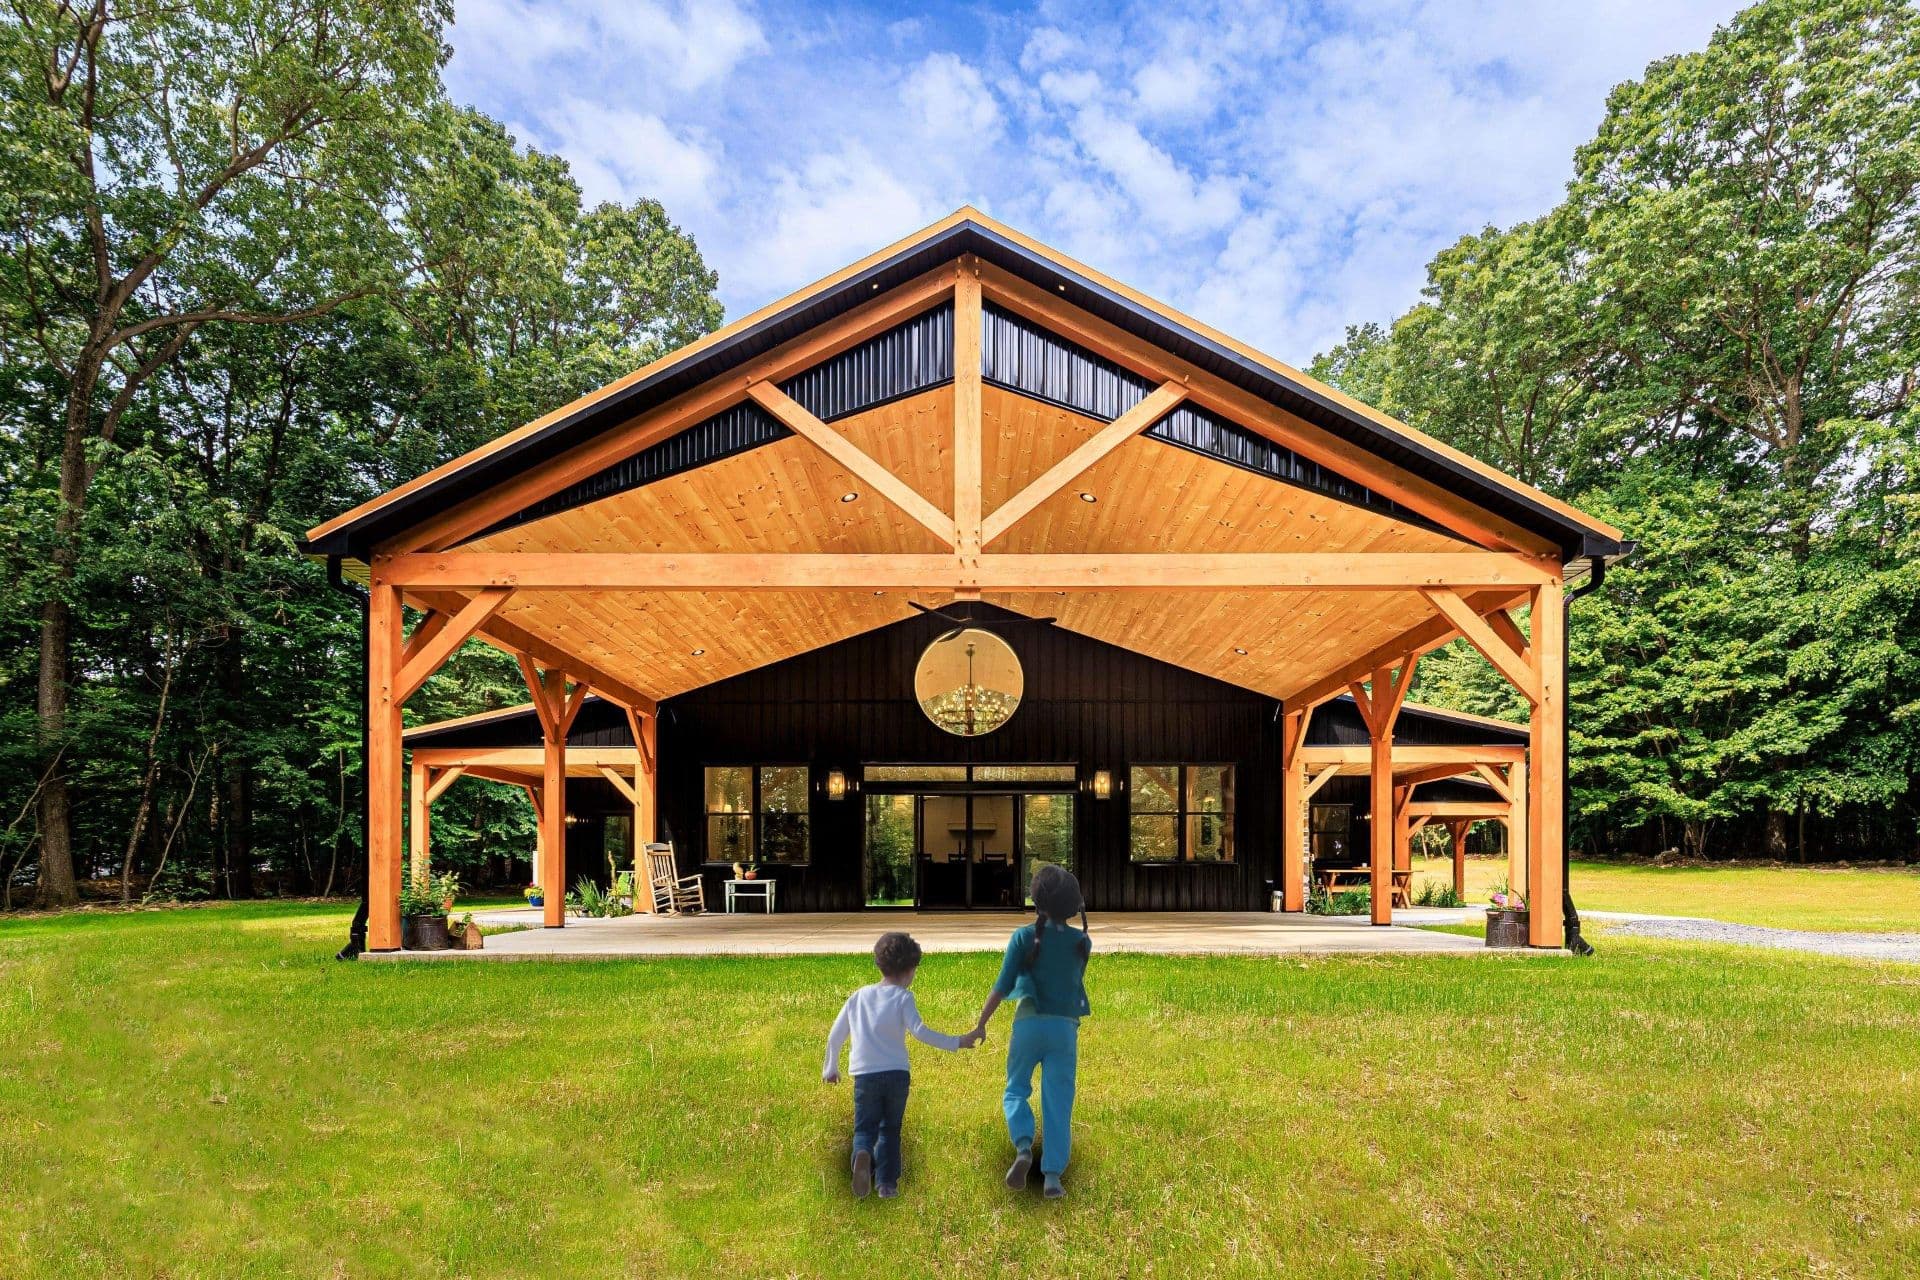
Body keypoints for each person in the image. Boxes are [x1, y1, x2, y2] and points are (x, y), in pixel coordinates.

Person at [823, 931, 980, 1198]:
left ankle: (861, 1155)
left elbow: (836, 1034)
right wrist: (958, 1042)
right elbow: (921, 1032)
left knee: (865, 1128)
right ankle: (886, 1184)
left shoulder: (859, 997)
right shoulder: (904, 998)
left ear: (880, 964)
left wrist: (831, 1066)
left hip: (865, 1076)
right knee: (889, 1129)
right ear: (909, 970)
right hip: (896, 1075)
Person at [969, 863, 1091, 1200]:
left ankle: (1023, 1147)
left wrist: (981, 1023)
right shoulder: (1083, 942)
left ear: (1036, 901)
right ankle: (1052, 1177)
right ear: (1073, 904)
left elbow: (1002, 985)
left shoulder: (1023, 937)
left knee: (1016, 1089)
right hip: (1064, 1030)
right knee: (1058, 1100)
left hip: (1027, 1026)